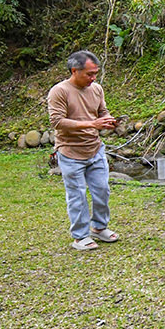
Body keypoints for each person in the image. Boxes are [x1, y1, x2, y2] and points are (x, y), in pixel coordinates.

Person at [47, 50, 119, 251]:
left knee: (102, 190)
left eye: (95, 73)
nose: (93, 78)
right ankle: (80, 236)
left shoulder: (96, 89)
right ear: (74, 71)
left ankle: (99, 227)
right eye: (89, 74)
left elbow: (102, 111)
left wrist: (108, 120)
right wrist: (92, 123)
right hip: (70, 152)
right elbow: (57, 122)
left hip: (94, 148)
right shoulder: (59, 91)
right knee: (77, 195)